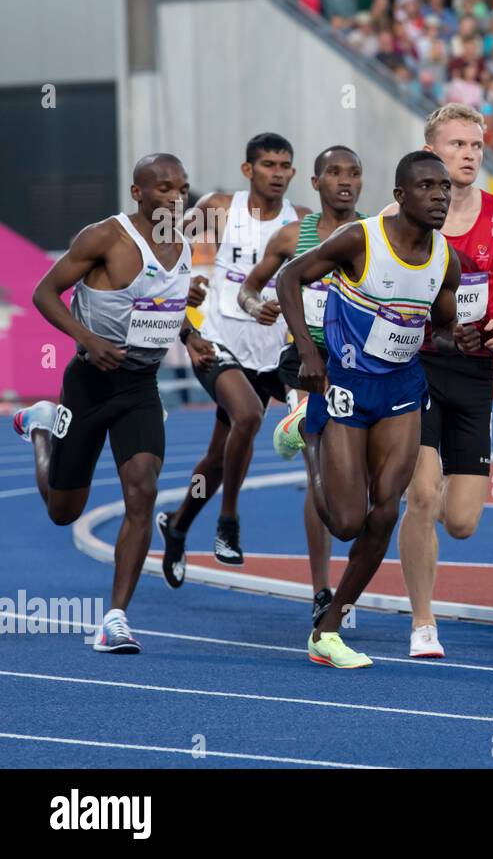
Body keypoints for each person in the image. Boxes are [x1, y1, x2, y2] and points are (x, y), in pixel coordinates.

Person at [14, 153, 212, 652]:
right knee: (63, 511)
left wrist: (188, 335)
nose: (175, 196)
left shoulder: (183, 243)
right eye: (164, 187)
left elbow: (161, 307)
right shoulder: (104, 237)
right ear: (138, 193)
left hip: (141, 387)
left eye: (182, 187)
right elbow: (44, 292)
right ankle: (41, 430)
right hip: (89, 384)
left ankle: (115, 618)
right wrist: (87, 340)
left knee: (141, 492)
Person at [276, 150, 460, 669]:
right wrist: (309, 354)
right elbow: (290, 279)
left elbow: (441, 333)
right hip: (347, 386)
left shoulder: (447, 258)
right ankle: (306, 434)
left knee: (385, 512)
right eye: (427, 187)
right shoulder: (363, 239)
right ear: (400, 196)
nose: (440, 195)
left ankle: (328, 630)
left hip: (402, 387)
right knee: (348, 522)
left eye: (444, 187)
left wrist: (457, 337)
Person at [387, 105, 493, 659]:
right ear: (431, 152)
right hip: (416, 365)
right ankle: (424, 622)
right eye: (457, 145)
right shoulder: (401, 218)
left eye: (476, 145)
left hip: (474, 370)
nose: (470, 155)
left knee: (463, 521)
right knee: (422, 496)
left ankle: (423, 489)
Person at [156, 133, 309, 573]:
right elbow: (163, 253)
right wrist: (185, 319)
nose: (277, 174)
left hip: (270, 353)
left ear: (294, 173)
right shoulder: (221, 208)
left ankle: (179, 523)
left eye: (284, 166)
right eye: (268, 165)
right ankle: (229, 519)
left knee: (219, 458)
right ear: (248, 170)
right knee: (248, 416)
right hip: (217, 343)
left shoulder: (301, 222)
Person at [239, 146, 365, 624]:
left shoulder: (376, 232)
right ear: (315, 183)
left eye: (353, 173)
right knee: (324, 477)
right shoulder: (294, 235)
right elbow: (250, 288)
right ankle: (321, 590)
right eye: (334, 173)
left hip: (360, 363)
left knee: (362, 484)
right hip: (306, 361)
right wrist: (256, 307)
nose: (345, 181)